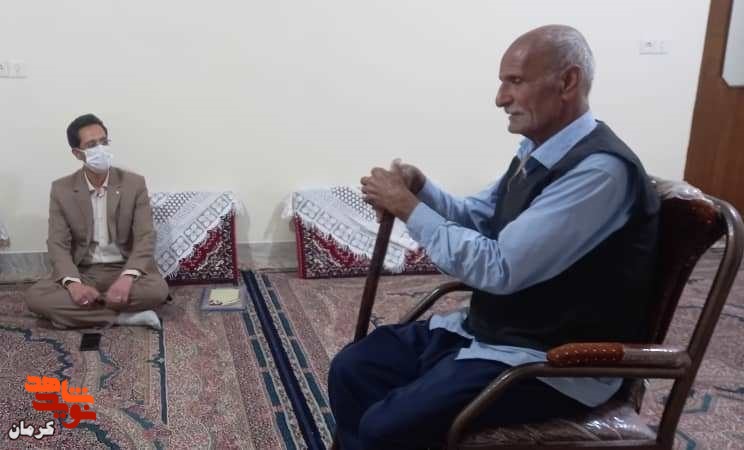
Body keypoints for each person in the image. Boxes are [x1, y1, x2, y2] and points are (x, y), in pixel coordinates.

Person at [329, 25, 660, 450]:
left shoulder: (599, 172)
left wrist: (408, 208)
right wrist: (421, 189)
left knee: (386, 426)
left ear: (567, 82)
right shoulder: (536, 154)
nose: (501, 98)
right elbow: (478, 218)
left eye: (515, 81)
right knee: (353, 369)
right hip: (495, 336)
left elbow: (499, 268)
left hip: (552, 363)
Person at [26, 114, 168, 330]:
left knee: (157, 291)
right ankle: (123, 317)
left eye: (104, 142)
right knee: (36, 298)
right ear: (77, 153)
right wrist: (73, 285)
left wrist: (127, 278)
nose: (100, 149)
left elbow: (145, 237)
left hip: (123, 267)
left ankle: (78, 314)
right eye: (92, 145)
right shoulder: (62, 189)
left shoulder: (134, 183)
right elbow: (57, 243)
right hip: (83, 271)